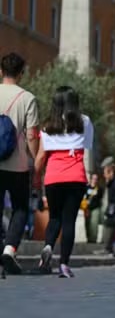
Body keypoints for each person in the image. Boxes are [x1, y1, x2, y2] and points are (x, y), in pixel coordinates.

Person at [33, 86, 94, 278]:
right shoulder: (85, 122)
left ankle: (48, 247)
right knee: (69, 221)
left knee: (54, 218)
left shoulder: (47, 126)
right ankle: (64, 264)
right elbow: (86, 145)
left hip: (54, 177)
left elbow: (41, 156)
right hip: (76, 177)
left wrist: (35, 176)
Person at [0, 53, 39, 275]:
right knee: (21, 208)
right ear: (21, 73)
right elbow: (32, 136)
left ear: (0, 71)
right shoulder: (27, 98)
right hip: (18, 165)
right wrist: (37, 160)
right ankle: (9, 249)